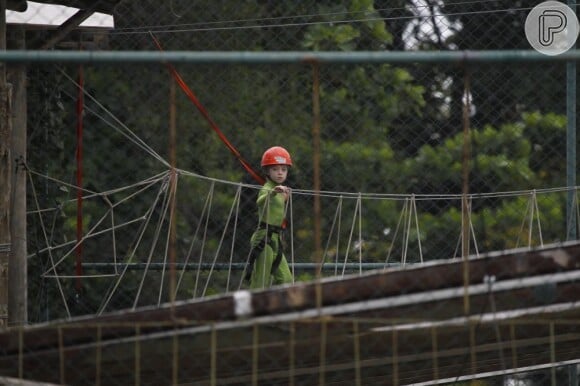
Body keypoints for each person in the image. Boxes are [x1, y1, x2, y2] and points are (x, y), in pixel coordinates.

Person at [246, 146, 294, 289]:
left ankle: (284, 309)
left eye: (283, 169)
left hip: (276, 238)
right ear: (267, 171)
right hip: (264, 237)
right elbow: (259, 201)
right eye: (275, 169)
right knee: (261, 280)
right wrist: (272, 193)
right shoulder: (267, 188)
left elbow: (277, 210)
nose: (280, 173)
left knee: (286, 279)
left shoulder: (281, 189)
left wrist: (284, 198)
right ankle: (254, 308)